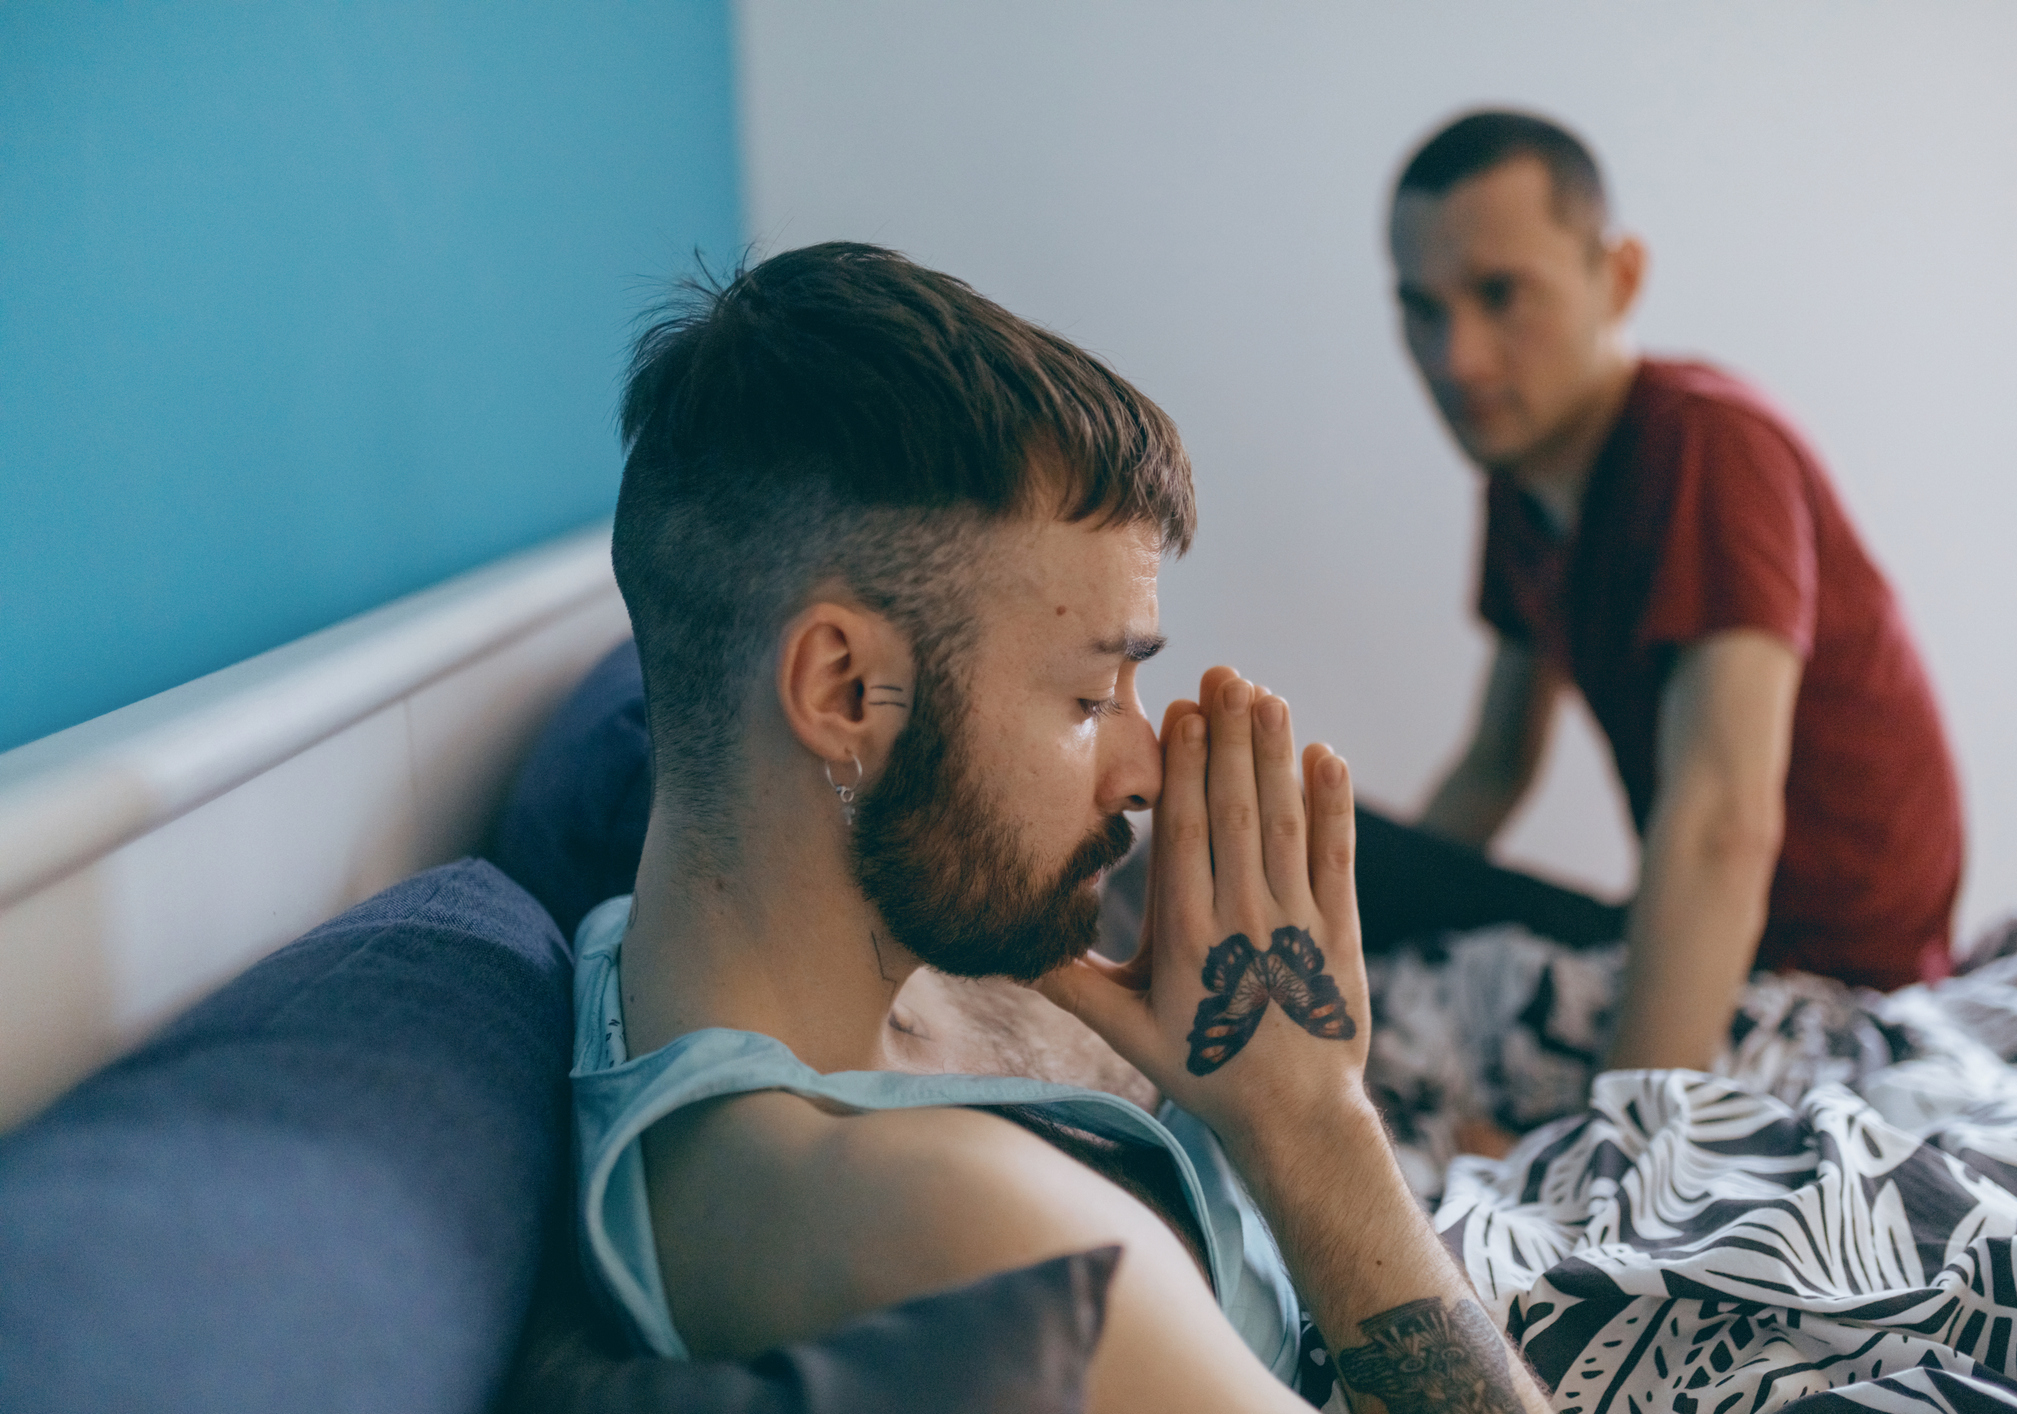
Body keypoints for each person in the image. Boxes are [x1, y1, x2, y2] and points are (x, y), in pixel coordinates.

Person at [571, 242, 1550, 1414]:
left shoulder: (702, 952)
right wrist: (1313, 1125)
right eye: (1090, 699)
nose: (1142, 764)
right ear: (844, 692)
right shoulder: (996, 1239)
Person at [1366, 110, 1962, 1077]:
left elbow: (1721, 819)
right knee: (1314, 855)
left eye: (1499, 294)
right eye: (1421, 311)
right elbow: (1492, 769)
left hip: (1822, 985)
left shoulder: (1706, 446)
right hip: (1730, 941)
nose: (1456, 360)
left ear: (1622, 278)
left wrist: (1632, 1126)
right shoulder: (1523, 491)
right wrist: (1357, 920)